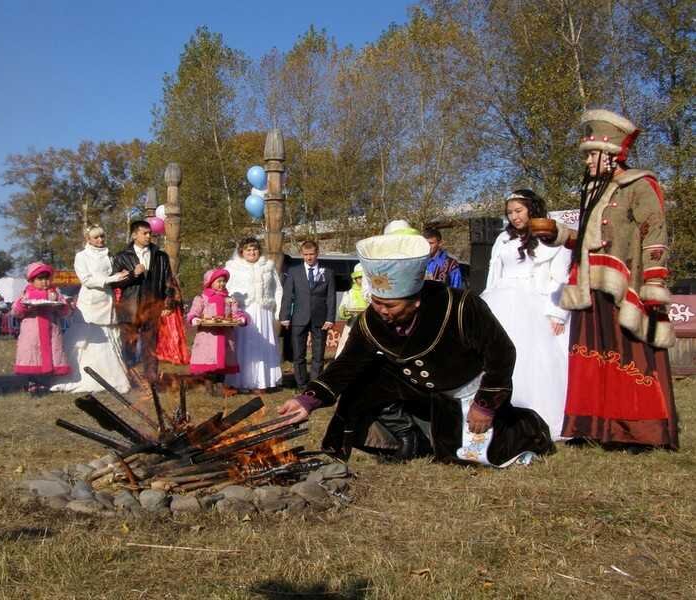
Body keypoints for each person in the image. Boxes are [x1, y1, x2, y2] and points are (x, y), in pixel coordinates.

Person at [277, 231, 554, 467]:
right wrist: (308, 401)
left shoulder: (460, 306)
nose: (382, 311)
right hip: (416, 389)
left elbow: (501, 353)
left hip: (467, 390)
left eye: (391, 305)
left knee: (473, 456)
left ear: (415, 301)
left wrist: (485, 405)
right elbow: (347, 364)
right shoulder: (371, 320)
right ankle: (407, 437)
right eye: (376, 302)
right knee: (363, 381)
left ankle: (521, 427)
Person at [535, 109, 678, 449]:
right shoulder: (593, 191)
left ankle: (637, 432)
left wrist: (655, 280)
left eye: (592, 155)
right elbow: (588, 238)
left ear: (612, 155)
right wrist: (557, 233)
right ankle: (594, 427)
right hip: (589, 282)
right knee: (591, 356)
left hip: (625, 284)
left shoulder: (640, 184)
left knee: (629, 355)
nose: (587, 162)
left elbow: (654, 232)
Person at [481, 191, 571, 440]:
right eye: (510, 212)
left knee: (533, 359)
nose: (514, 216)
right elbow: (494, 273)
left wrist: (558, 314)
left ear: (532, 209)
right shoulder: (503, 238)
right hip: (500, 299)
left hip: (535, 302)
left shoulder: (550, 236)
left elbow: (561, 278)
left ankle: (535, 415)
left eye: (519, 211)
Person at [51, 225, 131, 394]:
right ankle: (79, 376)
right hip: (90, 303)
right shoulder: (81, 256)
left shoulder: (110, 256)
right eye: (96, 237)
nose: (100, 240)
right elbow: (86, 280)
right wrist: (112, 278)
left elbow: (116, 275)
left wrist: (124, 275)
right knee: (85, 338)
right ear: (88, 239)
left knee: (108, 339)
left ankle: (111, 377)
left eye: (102, 236)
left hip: (107, 301)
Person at [111, 220, 174, 383]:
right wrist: (133, 274)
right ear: (134, 235)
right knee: (129, 345)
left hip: (152, 306)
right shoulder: (121, 257)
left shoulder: (161, 256)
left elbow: (168, 281)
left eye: (150, 233)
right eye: (144, 233)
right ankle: (130, 378)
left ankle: (151, 378)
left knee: (150, 344)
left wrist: (168, 303)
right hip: (130, 308)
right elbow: (114, 282)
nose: (148, 236)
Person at [223, 237, 283, 392]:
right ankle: (241, 381)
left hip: (264, 312)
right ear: (242, 251)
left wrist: (278, 312)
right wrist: (229, 311)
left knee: (262, 344)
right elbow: (225, 290)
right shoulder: (232, 268)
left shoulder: (268, 267)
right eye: (248, 250)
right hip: (243, 312)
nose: (252, 252)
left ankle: (262, 382)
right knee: (244, 346)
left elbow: (278, 290)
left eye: (254, 249)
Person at [279, 240, 336, 389]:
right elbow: (287, 295)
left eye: (311, 254)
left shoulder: (328, 272)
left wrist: (330, 318)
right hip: (299, 317)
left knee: (318, 356)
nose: (309, 257)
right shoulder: (293, 271)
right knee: (298, 355)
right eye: (306, 254)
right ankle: (302, 384)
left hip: (320, 318)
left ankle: (315, 386)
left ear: (317, 253)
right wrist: (284, 316)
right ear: (301, 254)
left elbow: (331, 297)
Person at [12, 262, 72, 394]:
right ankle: (32, 381)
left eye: (47, 278)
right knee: (33, 354)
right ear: (32, 280)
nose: (44, 282)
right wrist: (24, 306)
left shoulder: (55, 293)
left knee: (51, 353)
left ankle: (45, 381)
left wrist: (61, 306)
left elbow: (65, 311)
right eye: (40, 279)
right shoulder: (26, 294)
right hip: (32, 331)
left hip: (51, 329)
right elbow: (16, 311)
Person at [186, 268, 247, 392]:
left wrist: (241, 319)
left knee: (224, 360)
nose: (222, 284)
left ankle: (220, 384)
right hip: (209, 337)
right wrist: (194, 319)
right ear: (210, 282)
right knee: (209, 360)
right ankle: (209, 385)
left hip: (225, 336)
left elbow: (236, 312)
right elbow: (194, 312)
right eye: (218, 281)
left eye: (224, 281)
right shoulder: (202, 298)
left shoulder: (229, 299)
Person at [155, 273, 190, 367]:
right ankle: (168, 355)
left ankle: (174, 355)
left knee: (173, 333)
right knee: (166, 334)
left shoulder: (169, 279)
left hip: (171, 311)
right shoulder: (166, 278)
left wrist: (169, 307)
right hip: (168, 310)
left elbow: (174, 295)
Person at [335, 264, 368, 357]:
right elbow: (341, 310)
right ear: (355, 278)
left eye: (364, 278)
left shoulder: (373, 293)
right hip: (352, 325)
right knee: (345, 347)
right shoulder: (349, 293)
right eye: (360, 278)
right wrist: (345, 312)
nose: (362, 280)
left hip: (368, 326)